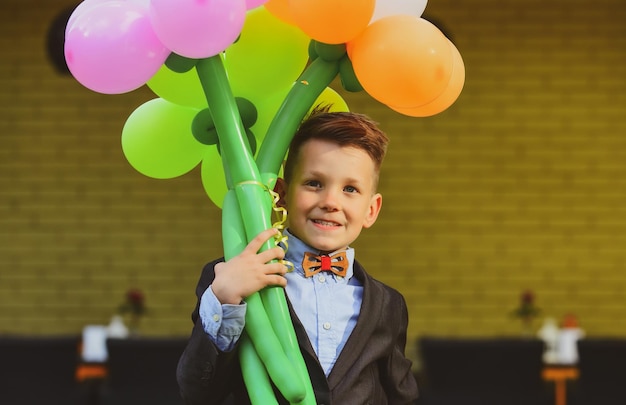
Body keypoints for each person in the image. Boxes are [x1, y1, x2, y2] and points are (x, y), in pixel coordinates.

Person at [177, 107, 419, 404]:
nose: (331, 202)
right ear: (281, 194)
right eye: (314, 183)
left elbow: (401, 395)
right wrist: (225, 298)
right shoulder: (228, 278)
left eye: (350, 189)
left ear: (371, 210)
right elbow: (198, 390)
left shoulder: (388, 304)